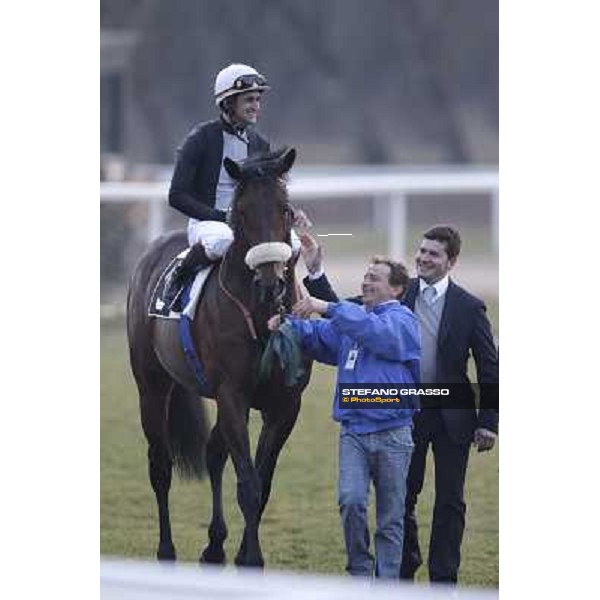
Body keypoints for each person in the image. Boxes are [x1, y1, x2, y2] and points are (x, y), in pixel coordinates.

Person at [300, 226, 499, 584]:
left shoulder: (469, 306)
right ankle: (402, 575)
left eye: (433, 254)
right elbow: (345, 313)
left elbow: (489, 365)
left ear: (451, 262)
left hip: (452, 410)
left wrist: (489, 420)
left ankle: (443, 581)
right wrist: (315, 273)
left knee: (450, 502)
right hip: (404, 409)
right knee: (403, 500)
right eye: (421, 251)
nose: (423, 258)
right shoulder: (396, 294)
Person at [268, 258, 420, 579]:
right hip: (353, 433)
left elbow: (375, 333)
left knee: (391, 518)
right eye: (364, 276)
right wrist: (287, 324)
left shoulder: (402, 320)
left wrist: (327, 306)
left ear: (396, 288)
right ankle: (360, 574)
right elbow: (319, 334)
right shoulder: (354, 323)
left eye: (374, 278)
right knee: (351, 501)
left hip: (394, 435)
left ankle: (387, 585)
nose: (365, 282)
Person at [163, 63, 306, 308]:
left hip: (248, 222)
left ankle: (286, 301)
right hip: (208, 224)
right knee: (223, 242)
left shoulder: (260, 142)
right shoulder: (200, 139)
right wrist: (220, 216)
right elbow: (176, 195)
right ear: (228, 103)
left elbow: (268, 193)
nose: (256, 106)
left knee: (292, 244)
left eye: (258, 99)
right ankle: (178, 276)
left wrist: (289, 213)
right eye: (249, 100)